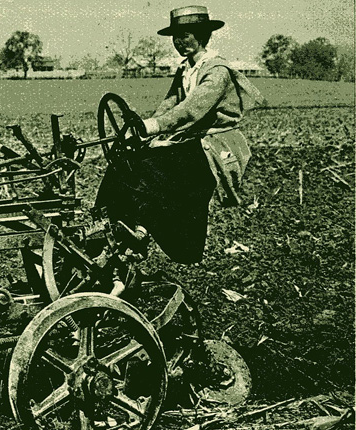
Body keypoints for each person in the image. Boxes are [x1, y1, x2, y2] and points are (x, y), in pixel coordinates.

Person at [95, 6, 264, 265]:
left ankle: (142, 231)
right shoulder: (185, 69)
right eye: (176, 37)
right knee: (125, 162)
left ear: (202, 36)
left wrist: (153, 127)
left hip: (216, 145)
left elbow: (190, 110)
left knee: (151, 169)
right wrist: (141, 130)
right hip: (192, 140)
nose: (179, 42)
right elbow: (170, 104)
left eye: (185, 35)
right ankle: (106, 225)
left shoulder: (216, 71)